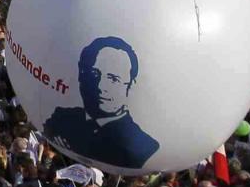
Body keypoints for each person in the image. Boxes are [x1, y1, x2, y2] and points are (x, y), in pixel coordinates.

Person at [39, 34, 160, 170]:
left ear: (130, 85)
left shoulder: (146, 146)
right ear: (81, 75)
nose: (101, 87)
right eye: (94, 74)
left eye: (114, 79)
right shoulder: (61, 116)